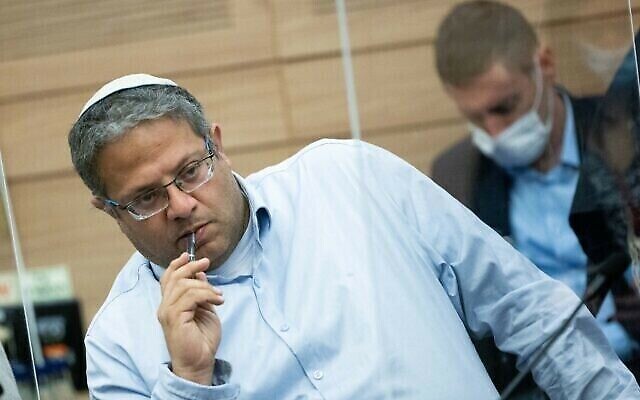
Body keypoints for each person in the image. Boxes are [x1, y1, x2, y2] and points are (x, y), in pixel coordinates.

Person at [68, 73, 640, 399]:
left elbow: (530, 309)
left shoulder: (349, 178)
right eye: (146, 199)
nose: (183, 205)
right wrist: (190, 381)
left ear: (218, 142)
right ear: (108, 209)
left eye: (193, 169)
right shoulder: (119, 342)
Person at [431, 0, 639, 394]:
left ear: (544, 63)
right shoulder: (458, 176)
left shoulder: (623, 136)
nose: (493, 132)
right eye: (475, 119)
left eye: (504, 108)